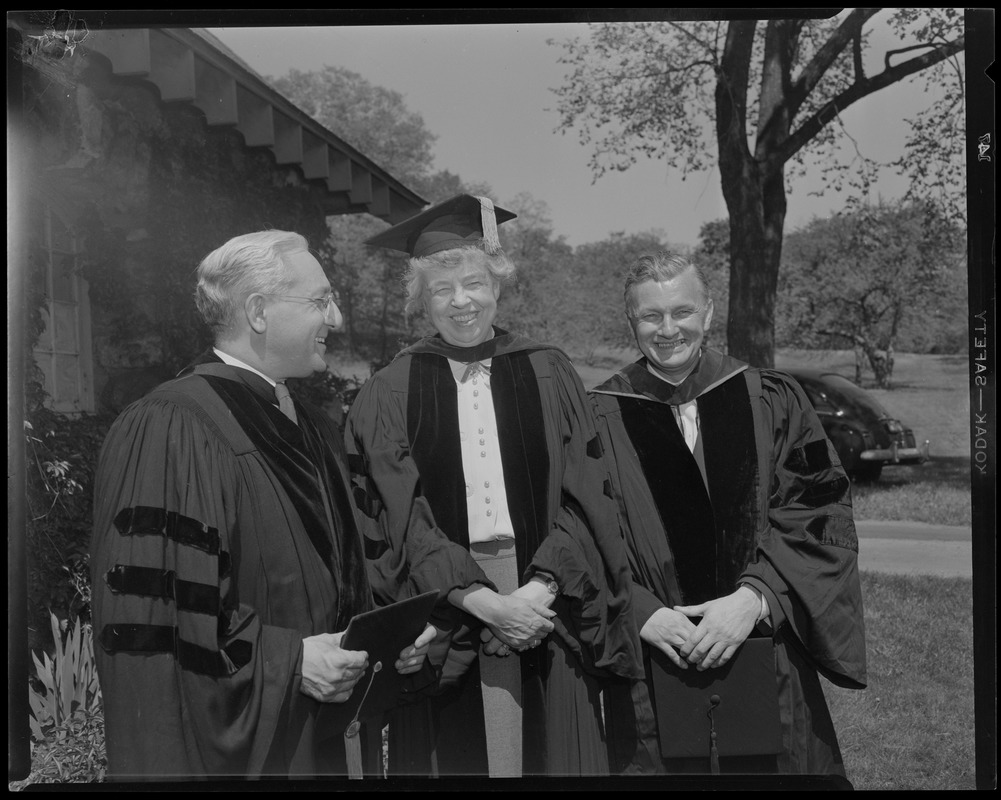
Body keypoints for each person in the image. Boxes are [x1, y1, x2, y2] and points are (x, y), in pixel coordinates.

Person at [90, 230, 434, 780]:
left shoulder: (313, 427)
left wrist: (388, 640)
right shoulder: (174, 426)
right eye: (320, 300)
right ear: (257, 311)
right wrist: (292, 664)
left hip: (317, 737)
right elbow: (167, 622)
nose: (338, 318)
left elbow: (342, 570)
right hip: (251, 758)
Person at [344, 194, 642, 778]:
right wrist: (477, 599)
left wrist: (538, 591)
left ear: (498, 285)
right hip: (445, 603)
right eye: (441, 290)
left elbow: (588, 493)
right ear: (419, 300)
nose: (461, 302)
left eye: (474, 283)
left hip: (546, 595)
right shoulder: (390, 389)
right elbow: (395, 516)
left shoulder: (548, 370)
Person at [589, 251, 867, 777]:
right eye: (651, 316)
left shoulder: (770, 397)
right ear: (632, 321)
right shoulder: (596, 413)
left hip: (767, 649)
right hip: (649, 657)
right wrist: (640, 610)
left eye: (683, 311)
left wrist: (756, 597)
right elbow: (578, 532)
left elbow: (819, 508)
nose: (669, 329)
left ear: (709, 313)